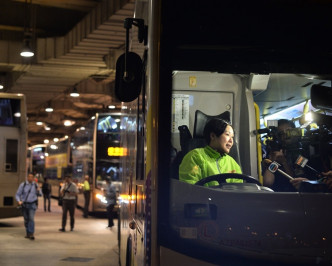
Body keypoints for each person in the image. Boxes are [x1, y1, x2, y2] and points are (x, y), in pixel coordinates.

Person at [179, 118, 242, 186]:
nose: (231, 141)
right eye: (227, 134)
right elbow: (190, 188)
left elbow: (238, 188)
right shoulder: (195, 156)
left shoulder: (232, 162)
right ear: (213, 136)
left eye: (232, 137)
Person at [262, 119, 303, 192]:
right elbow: (267, 182)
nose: (285, 135)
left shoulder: (303, 153)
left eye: (288, 131)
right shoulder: (277, 151)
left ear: (295, 132)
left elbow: (297, 181)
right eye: (281, 133)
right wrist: (274, 162)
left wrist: (284, 162)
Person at [15, 172, 42, 240]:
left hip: (32, 204)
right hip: (24, 204)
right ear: (27, 177)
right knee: (26, 219)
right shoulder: (23, 185)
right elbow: (17, 194)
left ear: (33, 178)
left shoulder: (35, 185)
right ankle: (28, 232)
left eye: (31, 177)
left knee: (31, 219)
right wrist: (19, 201)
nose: (30, 178)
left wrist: (39, 191)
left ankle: (31, 233)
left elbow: (41, 194)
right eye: (29, 176)